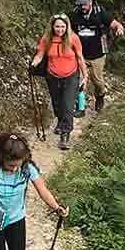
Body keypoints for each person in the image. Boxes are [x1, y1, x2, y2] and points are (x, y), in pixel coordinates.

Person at [31, 14, 87, 150]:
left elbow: (80, 58)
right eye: (57, 26)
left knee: (67, 105)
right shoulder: (47, 39)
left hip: (71, 76)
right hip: (52, 76)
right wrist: (34, 63)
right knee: (57, 104)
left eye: (62, 26)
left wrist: (85, 76)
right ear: (52, 26)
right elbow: (40, 54)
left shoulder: (73, 38)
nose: (60, 29)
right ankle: (61, 122)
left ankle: (65, 135)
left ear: (67, 26)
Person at [69, 0, 124, 112]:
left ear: (90, 2)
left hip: (97, 54)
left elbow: (115, 24)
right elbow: (66, 28)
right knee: (78, 81)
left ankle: (100, 96)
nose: (82, 7)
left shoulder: (100, 13)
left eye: (84, 4)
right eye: (80, 5)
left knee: (97, 81)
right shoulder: (74, 14)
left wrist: (119, 29)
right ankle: (80, 105)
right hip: (80, 54)